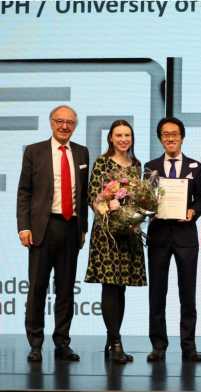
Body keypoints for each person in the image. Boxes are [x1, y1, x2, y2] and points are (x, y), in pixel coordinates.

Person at [17, 105, 89, 362]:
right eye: (60, 121)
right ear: (51, 123)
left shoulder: (82, 152)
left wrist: (83, 229)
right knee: (37, 287)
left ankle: (62, 342)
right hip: (42, 228)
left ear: (75, 125)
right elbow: (24, 191)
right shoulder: (34, 151)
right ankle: (35, 343)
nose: (64, 126)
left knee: (66, 289)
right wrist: (24, 226)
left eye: (70, 122)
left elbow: (83, 194)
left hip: (71, 228)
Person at [85, 119, 146, 364]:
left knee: (120, 287)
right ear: (111, 138)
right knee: (110, 286)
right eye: (118, 135)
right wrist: (108, 210)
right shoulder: (102, 162)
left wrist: (135, 217)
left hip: (128, 233)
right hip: (107, 234)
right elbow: (93, 196)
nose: (123, 139)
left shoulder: (137, 165)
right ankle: (116, 342)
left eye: (127, 135)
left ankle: (113, 339)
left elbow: (140, 199)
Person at [145, 117, 201, 362]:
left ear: (182, 136)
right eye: (165, 134)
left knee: (187, 293)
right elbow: (145, 201)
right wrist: (148, 206)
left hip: (185, 237)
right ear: (160, 138)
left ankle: (188, 347)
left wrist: (194, 211)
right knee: (157, 293)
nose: (170, 138)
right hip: (159, 235)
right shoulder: (150, 167)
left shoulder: (195, 166)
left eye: (174, 134)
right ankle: (158, 346)